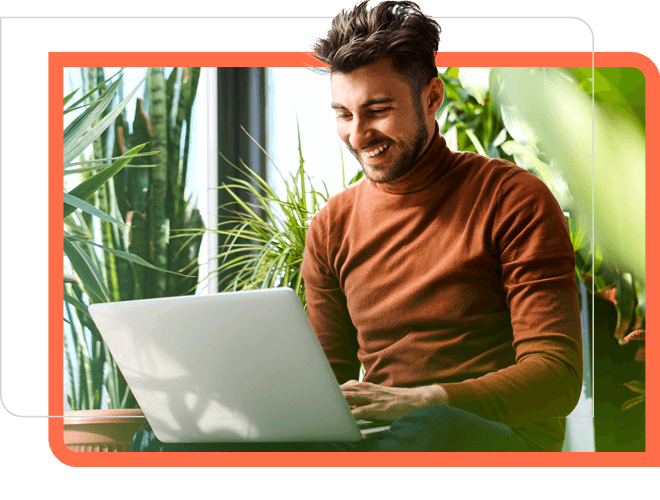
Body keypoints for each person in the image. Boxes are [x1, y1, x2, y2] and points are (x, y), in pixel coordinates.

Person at [133, 0, 583, 453]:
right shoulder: (333, 225)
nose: (359, 134)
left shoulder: (512, 198)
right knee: (165, 438)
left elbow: (555, 375)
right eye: (344, 115)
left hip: (488, 437)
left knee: (426, 429)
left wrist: (423, 400)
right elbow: (328, 381)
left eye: (378, 110)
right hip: (380, 437)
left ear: (431, 97)